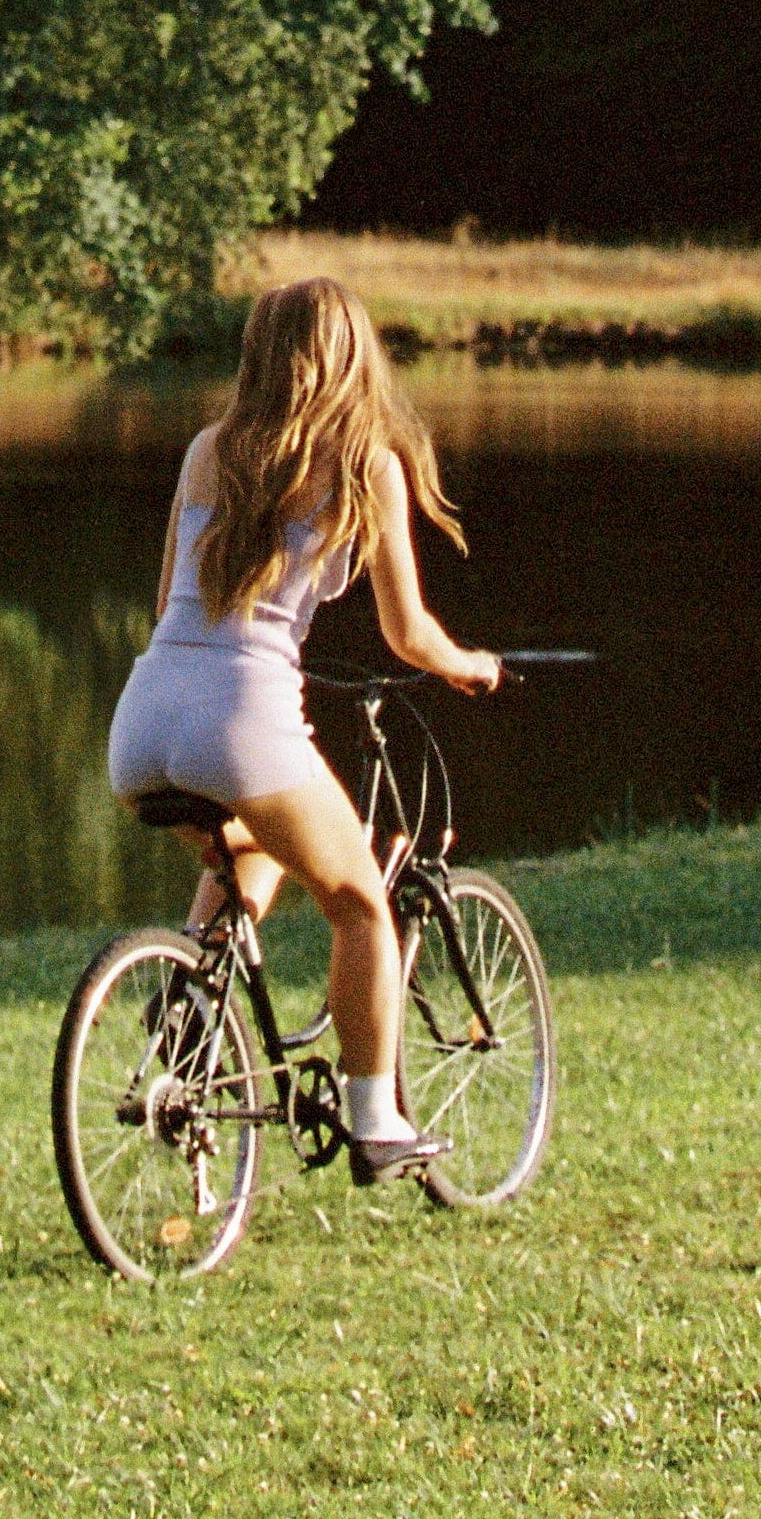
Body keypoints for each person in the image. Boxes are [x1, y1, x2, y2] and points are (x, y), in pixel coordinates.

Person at [105, 275, 496, 1180]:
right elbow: (408, 632)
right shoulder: (366, 463)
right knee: (358, 902)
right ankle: (375, 1122)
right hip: (241, 718)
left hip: (144, 714)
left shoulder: (207, 449)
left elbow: (169, 602)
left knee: (255, 843)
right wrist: (468, 663)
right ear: (353, 354)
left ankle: (189, 1000)